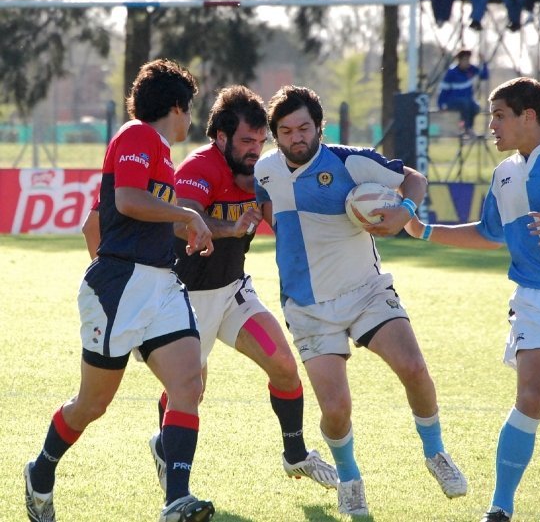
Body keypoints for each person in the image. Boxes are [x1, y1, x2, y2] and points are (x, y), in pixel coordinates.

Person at [254, 85, 467, 516]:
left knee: (414, 367)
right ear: (275, 134)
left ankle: (436, 453)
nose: (296, 137)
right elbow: (265, 215)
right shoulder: (264, 172)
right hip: (308, 306)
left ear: (319, 127)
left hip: (367, 291)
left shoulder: (351, 160)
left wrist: (405, 209)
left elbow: (415, 179)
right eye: (287, 130)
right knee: (335, 409)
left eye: (304, 128)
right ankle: (350, 478)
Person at [24, 59, 216, 522]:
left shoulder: (162, 155)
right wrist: (187, 217)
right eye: (189, 109)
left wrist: (183, 230)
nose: (190, 120)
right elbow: (128, 202)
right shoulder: (137, 135)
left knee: (189, 381)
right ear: (176, 106)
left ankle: (176, 500)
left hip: (160, 285)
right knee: (92, 404)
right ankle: (40, 471)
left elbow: (98, 220)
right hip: (121, 287)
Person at [405, 76, 540, 522]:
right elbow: (490, 234)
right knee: (531, 397)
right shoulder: (504, 174)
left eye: (499, 116)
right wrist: (427, 231)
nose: (490, 126)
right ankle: (500, 508)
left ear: (528, 116)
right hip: (535, 301)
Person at [147, 85, 338, 493]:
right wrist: (228, 227)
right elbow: (184, 219)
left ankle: (296, 455)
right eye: (246, 141)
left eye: (260, 141)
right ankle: (168, 457)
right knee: (188, 391)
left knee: (285, 367)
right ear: (220, 137)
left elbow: (286, 212)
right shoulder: (201, 167)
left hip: (233, 292)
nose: (255, 149)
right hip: (185, 300)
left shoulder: (264, 172)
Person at [437, 49, 489, 136]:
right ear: (460, 60)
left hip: (467, 101)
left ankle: (468, 128)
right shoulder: (451, 72)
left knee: (475, 107)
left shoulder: (471, 69)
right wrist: (441, 104)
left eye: (468, 59)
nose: (467, 62)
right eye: (465, 60)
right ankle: (466, 128)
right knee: (464, 103)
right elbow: (444, 89)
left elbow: (484, 76)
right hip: (452, 101)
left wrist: (483, 62)